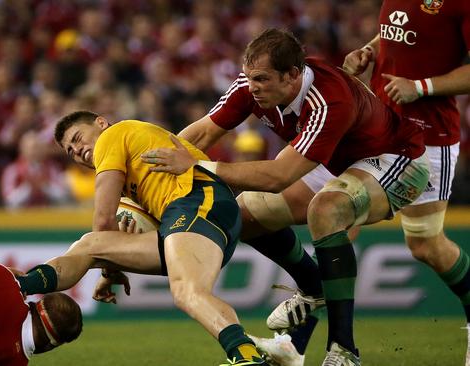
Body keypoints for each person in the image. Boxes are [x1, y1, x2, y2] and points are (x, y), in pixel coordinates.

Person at [140, 28, 429, 366]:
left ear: (293, 74)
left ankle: (344, 351)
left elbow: (279, 177)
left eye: (261, 79)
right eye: (249, 77)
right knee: (242, 215)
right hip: (335, 161)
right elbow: (201, 133)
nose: (252, 87)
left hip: (397, 161)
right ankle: (313, 286)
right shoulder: (252, 86)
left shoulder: (329, 98)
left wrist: (200, 166)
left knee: (326, 208)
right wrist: (146, 177)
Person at [18, 110, 270, 366]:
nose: (77, 149)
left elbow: (103, 220)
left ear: (101, 123)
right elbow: (104, 235)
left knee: (186, 291)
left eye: (78, 137)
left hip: (199, 202)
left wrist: (109, 268)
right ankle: (21, 286)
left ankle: (247, 357)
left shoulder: (112, 136)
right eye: (70, 150)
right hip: (200, 216)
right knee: (89, 246)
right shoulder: (134, 169)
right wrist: (110, 269)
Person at [342, 2, 470, 365]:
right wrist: (369, 50)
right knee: (337, 216)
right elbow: (398, 35)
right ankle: (302, 342)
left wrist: (421, 86)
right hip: (381, 126)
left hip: (430, 137)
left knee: (425, 245)